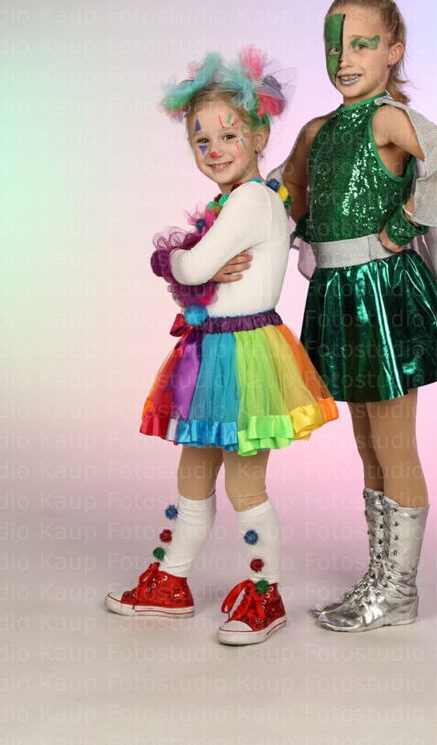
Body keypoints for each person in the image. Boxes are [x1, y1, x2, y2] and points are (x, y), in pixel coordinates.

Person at [260, 0, 437, 633]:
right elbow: (284, 196)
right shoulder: (317, 131)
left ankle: (399, 592)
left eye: (362, 45)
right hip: (338, 297)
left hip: (385, 297)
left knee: (395, 445)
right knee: (367, 443)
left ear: (393, 50)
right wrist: (241, 211)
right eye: (335, 48)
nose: (345, 59)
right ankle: (379, 578)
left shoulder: (388, 120)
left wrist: (404, 224)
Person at [104, 47, 337, 645]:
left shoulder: (252, 200)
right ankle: (172, 580)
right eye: (201, 140)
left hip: (244, 358)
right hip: (211, 353)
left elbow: (192, 267)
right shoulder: (229, 202)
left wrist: (180, 261)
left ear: (259, 137)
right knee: (193, 474)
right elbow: (195, 272)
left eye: (229, 134)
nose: (215, 149)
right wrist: (189, 267)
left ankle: (265, 594)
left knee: (244, 485)